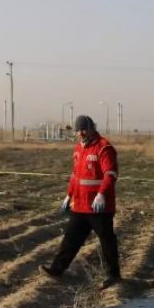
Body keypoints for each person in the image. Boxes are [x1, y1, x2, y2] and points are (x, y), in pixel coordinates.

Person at [40, 115, 121, 290]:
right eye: (78, 130)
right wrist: (69, 195)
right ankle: (56, 270)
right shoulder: (78, 149)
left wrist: (101, 195)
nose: (81, 133)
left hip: (99, 207)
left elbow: (110, 174)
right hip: (80, 205)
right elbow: (75, 176)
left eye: (84, 129)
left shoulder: (104, 148)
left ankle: (113, 276)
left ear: (92, 128)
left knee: (107, 241)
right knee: (71, 239)